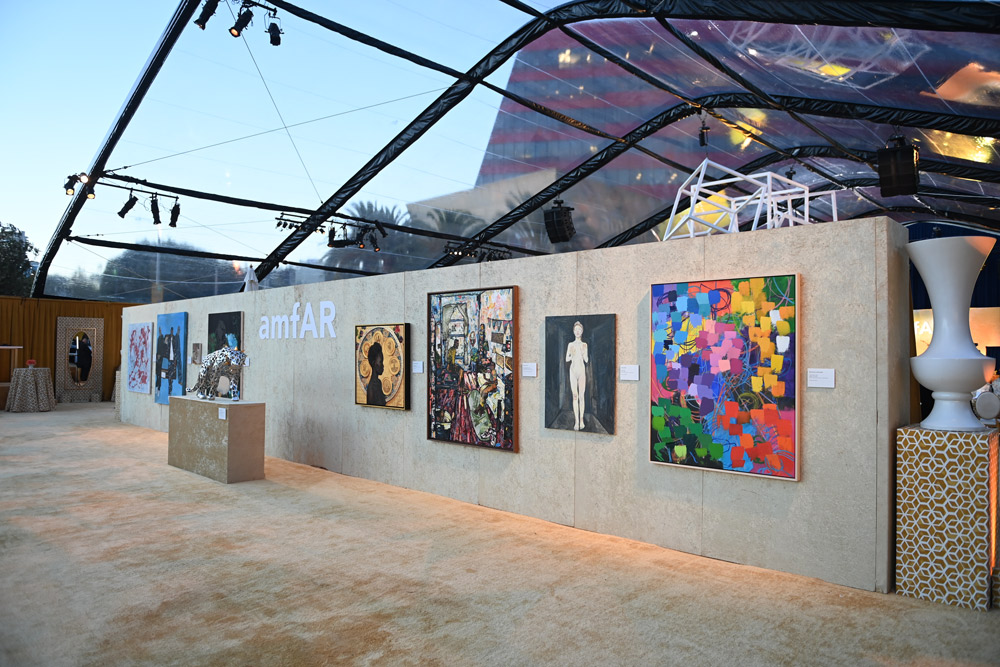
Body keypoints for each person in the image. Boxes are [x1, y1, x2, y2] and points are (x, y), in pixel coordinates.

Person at [565, 320, 589, 431]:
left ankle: (582, 419)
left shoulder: (584, 345)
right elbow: (567, 359)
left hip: (581, 371)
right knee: (575, 396)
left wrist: (583, 352)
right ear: (573, 331)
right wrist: (572, 354)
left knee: (581, 397)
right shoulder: (570, 345)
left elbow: (586, 360)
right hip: (573, 371)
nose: (577, 331)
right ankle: (576, 421)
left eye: (579, 329)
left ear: (582, 331)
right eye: (576, 330)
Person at [366, 341, 386, 406]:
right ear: (374, 363)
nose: (383, 365)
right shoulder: (371, 388)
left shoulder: (378, 383)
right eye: (380, 362)